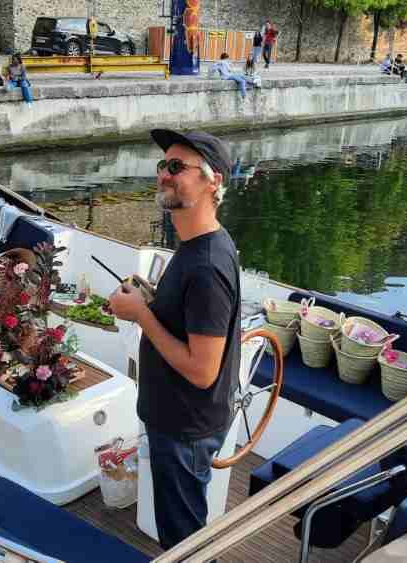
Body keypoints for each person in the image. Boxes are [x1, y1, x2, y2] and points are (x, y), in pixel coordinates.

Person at [109, 129, 241, 550]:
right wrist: (153, 300)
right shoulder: (202, 245)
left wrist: (142, 314)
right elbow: (189, 321)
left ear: (212, 180)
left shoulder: (205, 265)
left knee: (183, 544)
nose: (164, 175)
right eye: (162, 166)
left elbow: (203, 372)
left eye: (176, 167)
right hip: (182, 422)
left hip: (185, 429)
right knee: (186, 530)